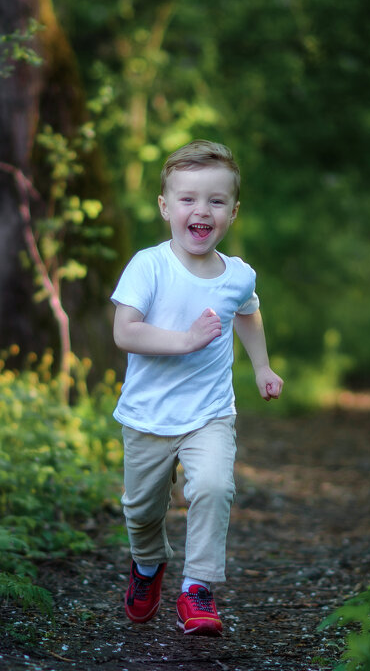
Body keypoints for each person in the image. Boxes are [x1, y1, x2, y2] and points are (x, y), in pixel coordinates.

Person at [110, 139, 283, 637]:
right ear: (166, 207)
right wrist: (186, 340)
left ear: (232, 212)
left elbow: (247, 313)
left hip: (210, 413)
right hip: (147, 415)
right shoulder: (149, 266)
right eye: (187, 199)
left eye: (215, 201)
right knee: (142, 510)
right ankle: (148, 566)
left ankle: (197, 588)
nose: (200, 210)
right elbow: (126, 331)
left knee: (212, 486)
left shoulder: (237, 275)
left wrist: (262, 368)